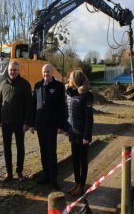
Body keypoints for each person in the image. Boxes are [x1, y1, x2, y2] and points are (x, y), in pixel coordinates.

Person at [0, 61, 32, 182]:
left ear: (18, 70)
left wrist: (27, 123)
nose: (12, 72)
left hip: (20, 123)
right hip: (5, 122)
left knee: (20, 148)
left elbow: (29, 106)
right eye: (11, 70)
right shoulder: (3, 84)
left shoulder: (25, 85)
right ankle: (9, 172)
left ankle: (19, 172)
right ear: (8, 70)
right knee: (7, 148)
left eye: (15, 70)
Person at [32, 64, 65, 190]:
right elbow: (34, 105)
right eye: (44, 72)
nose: (46, 74)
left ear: (52, 73)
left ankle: (54, 179)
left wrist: (61, 125)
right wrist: (32, 124)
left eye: (48, 72)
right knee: (43, 151)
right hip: (40, 125)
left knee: (52, 152)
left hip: (52, 126)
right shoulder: (38, 86)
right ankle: (46, 175)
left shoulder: (58, 87)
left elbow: (62, 107)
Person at [65, 69, 94, 197]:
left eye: (70, 78)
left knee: (82, 161)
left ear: (75, 81)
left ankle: (81, 186)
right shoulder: (71, 93)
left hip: (82, 135)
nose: (68, 80)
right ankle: (76, 183)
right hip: (73, 133)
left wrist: (86, 136)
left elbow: (89, 118)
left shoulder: (86, 95)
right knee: (75, 160)